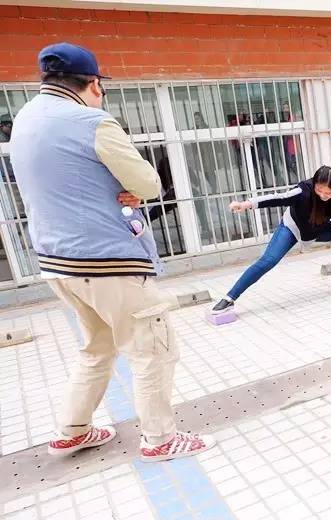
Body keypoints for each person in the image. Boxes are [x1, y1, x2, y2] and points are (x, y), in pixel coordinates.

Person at [9, 42, 214, 461]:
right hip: (108, 262)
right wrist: (130, 189)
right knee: (152, 348)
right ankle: (159, 439)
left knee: (97, 346)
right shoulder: (93, 122)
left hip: (56, 263)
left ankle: (73, 430)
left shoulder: (25, 119)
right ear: (94, 84)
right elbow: (148, 184)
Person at [211, 165, 331, 313]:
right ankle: (229, 298)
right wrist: (245, 204)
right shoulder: (303, 190)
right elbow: (278, 198)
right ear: (314, 184)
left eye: (328, 193)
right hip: (292, 229)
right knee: (269, 260)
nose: (323, 196)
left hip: (317, 229)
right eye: (319, 190)